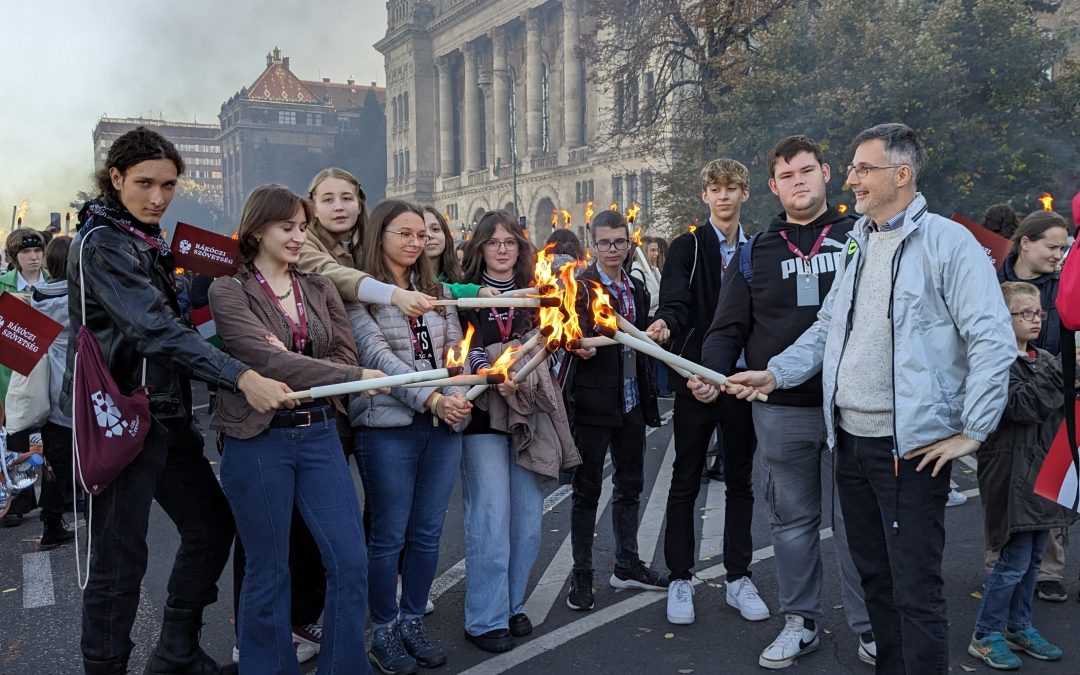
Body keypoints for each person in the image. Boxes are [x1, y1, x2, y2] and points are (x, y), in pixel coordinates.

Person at [727, 123, 1016, 674]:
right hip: (852, 443)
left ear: (901, 175)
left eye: (864, 168)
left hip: (908, 450)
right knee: (876, 582)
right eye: (854, 168)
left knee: (915, 591)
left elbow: (993, 339)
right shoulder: (861, 240)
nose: (853, 178)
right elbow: (829, 327)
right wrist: (776, 374)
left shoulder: (947, 242)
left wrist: (973, 431)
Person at [66, 127, 293, 675]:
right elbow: (154, 332)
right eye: (145, 183)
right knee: (119, 562)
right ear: (115, 177)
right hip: (122, 418)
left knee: (211, 528)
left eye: (168, 185)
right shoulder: (102, 244)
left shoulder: (142, 239)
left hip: (163, 415)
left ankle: (176, 651)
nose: (158, 197)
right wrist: (240, 375)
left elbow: (169, 316)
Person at [693, 135, 873, 668]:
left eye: (807, 171)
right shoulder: (756, 252)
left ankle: (870, 627)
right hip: (782, 410)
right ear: (773, 187)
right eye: (787, 176)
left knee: (856, 523)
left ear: (827, 173)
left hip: (855, 406)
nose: (799, 182)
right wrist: (708, 374)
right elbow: (727, 327)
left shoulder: (860, 236)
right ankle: (801, 622)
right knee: (791, 522)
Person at [209, 184, 380, 675]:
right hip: (258, 439)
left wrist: (295, 364)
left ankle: (345, 667)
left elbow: (344, 353)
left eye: (303, 228)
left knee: (350, 561)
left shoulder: (320, 287)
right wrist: (344, 376)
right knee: (268, 569)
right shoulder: (229, 289)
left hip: (321, 432)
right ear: (258, 229)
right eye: (287, 228)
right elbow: (260, 358)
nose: (298, 237)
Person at [350, 199, 473, 673]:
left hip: (442, 423)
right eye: (403, 233)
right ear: (379, 234)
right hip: (387, 427)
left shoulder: (436, 289)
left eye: (421, 235)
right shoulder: (360, 294)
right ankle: (382, 629)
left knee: (427, 533)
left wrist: (453, 394)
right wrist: (432, 399)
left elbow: (451, 350)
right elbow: (378, 358)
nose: (414, 242)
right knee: (388, 534)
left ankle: (411, 619)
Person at [645, 159, 764, 626]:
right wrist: (664, 325)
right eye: (716, 189)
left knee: (740, 479)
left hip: (739, 381)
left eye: (732, 188)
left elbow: (763, 315)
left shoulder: (758, 248)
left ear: (746, 194)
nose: (724, 197)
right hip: (696, 379)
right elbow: (676, 305)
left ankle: (739, 577)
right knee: (685, 479)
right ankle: (680, 577)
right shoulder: (686, 247)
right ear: (705, 195)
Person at [457, 210, 580, 653]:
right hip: (484, 412)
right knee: (490, 517)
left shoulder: (541, 288)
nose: (503, 249)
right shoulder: (467, 291)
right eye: (493, 242)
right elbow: (462, 344)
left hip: (530, 412)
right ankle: (484, 618)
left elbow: (555, 340)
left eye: (510, 241)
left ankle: (511, 604)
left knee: (528, 520)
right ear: (480, 248)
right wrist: (489, 371)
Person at [564, 210, 666, 612]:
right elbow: (565, 335)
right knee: (587, 492)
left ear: (629, 244)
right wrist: (577, 343)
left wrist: (657, 327)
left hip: (631, 402)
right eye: (604, 242)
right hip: (593, 404)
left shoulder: (636, 287)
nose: (612, 249)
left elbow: (640, 337)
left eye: (619, 242)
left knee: (630, 486)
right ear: (592, 245)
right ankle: (582, 575)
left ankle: (626, 564)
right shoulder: (580, 287)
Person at [968, 281, 1067, 669]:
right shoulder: (992, 363)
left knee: (1033, 558)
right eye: (1023, 313)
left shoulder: (1044, 358)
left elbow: (1056, 413)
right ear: (1001, 317)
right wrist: (1060, 373)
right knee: (1011, 560)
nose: (1035, 319)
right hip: (1010, 474)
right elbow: (1022, 406)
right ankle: (986, 634)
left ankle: (1019, 625)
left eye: (1039, 312)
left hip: (1045, 472)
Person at [997, 210, 1071, 601]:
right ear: (1026, 242)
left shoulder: (1064, 287)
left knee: (1051, 483)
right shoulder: (992, 281)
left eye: (1063, 247)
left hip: (1055, 395)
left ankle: (1048, 570)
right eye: (1052, 246)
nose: (1059, 254)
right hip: (1006, 393)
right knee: (1005, 485)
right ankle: (999, 564)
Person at [298, 167, 432, 317]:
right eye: (328, 200)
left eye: (347, 198)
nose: (339, 207)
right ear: (314, 208)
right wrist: (395, 295)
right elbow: (328, 272)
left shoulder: (368, 242)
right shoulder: (301, 241)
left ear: (360, 205)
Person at [29, 236, 76, 549]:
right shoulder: (80, 297)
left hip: (46, 383)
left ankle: (51, 520)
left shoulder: (35, 296)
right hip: (76, 379)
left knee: (54, 457)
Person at [0, 228, 48, 406]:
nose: (34, 256)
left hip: (46, 370)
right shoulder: (3, 285)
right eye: (26, 251)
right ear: (14, 256)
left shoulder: (57, 283)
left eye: (37, 250)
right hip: (8, 375)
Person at [422, 206, 496, 299]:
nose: (429, 235)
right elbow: (438, 289)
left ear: (445, 235)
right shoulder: (407, 281)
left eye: (435, 229)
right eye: (422, 233)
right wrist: (475, 292)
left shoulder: (461, 278)